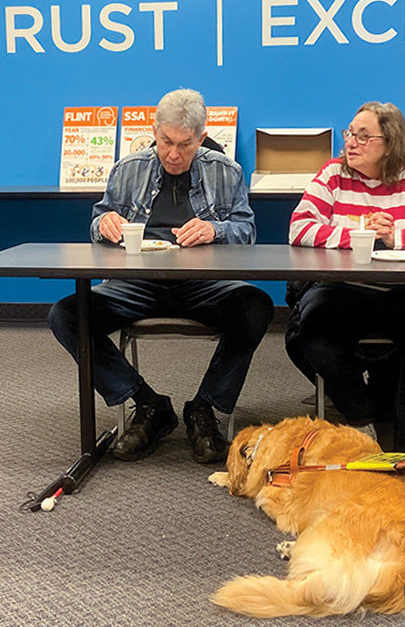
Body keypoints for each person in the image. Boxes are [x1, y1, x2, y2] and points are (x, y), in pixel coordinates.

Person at [49, 89, 274, 464]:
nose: (173, 154)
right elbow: (97, 221)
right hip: (134, 283)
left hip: (205, 283)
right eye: (166, 141)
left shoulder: (226, 171)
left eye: (185, 145)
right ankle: (150, 405)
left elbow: (246, 231)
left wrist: (215, 231)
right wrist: (103, 223)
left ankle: (204, 409)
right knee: (66, 315)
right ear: (155, 131)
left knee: (255, 306)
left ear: (201, 138)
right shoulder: (128, 169)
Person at [286, 102, 405, 489]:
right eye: (349, 133)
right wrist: (359, 233)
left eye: (363, 136)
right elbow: (299, 227)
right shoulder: (334, 174)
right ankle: (363, 424)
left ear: (391, 143)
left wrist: (397, 237)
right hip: (341, 289)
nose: (351, 143)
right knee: (313, 336)